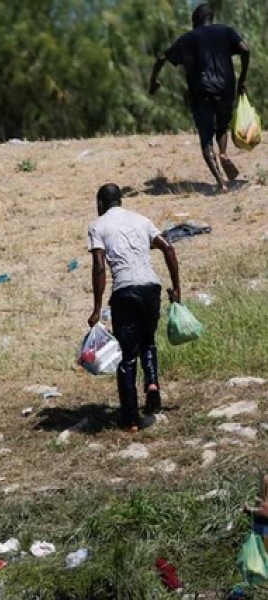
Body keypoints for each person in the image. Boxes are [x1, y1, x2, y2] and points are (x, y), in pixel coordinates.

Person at [87, 184, 181, 432]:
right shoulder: (141, 220)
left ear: (100, 203)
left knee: (127, 357)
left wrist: (97, 308)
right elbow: (168, 248)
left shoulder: (98, 225)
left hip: (125, 291)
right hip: (152, 288)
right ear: (121, 200)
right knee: (148, 341)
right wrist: (177, 287)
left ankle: (130, 418)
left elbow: (99, 267)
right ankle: (152, 389)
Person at [149, 3, 250, 194]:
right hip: (225, 87)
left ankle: (221, 183)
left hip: (201, 91)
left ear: (195, 21)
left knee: (205, 138)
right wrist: (242, 80)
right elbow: (245, 49)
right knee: (222, 127)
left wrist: (153, 81)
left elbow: (162, 58)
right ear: (210, 18)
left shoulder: (188, 38)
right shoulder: (225, 31)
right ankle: (223, 153)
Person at [243, 472, 268, 547]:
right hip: (260, 528)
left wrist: (249, 510)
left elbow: (265, 512)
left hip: (264, 530)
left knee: (262, 553)